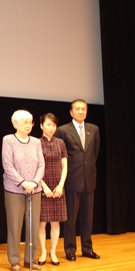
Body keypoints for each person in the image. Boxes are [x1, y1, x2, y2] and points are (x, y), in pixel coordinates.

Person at [55, 99, 100, 261]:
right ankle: (70, 250)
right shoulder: (62, 130)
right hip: (71, 180)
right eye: (77, 109)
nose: (81, 112)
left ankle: (87, 248)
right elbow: (60, 157)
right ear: (71, 112)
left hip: (89, 180)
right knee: (71, 219)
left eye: (83, 109)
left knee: (88, 218)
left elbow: (94, 154)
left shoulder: (93, 129)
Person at [2, 110, 45, 271]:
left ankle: (30, 259)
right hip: (14, 189)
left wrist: (34, 182)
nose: (28, 125)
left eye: (30, 122)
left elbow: (41, 164)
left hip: (35, 189)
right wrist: (22, 183)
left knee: (33, 225)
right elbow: (8, 165)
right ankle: (14, 259)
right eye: (24, 122)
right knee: (14, 226)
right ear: (16, 124)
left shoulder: (36, 142)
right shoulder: (8, 140)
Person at [37, 113, 68, 266]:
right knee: (41, 222)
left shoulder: (61, 143)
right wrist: (43, 186)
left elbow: (65, 166)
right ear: (41, 125)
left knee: (56, 222)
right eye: (48, 124)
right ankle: (43, 251)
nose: (51, 128)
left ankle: (53, 253)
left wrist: (61, 184)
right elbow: (33, 168)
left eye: (54, 125)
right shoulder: (35, 143)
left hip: (57, 186)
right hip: (42, 185)